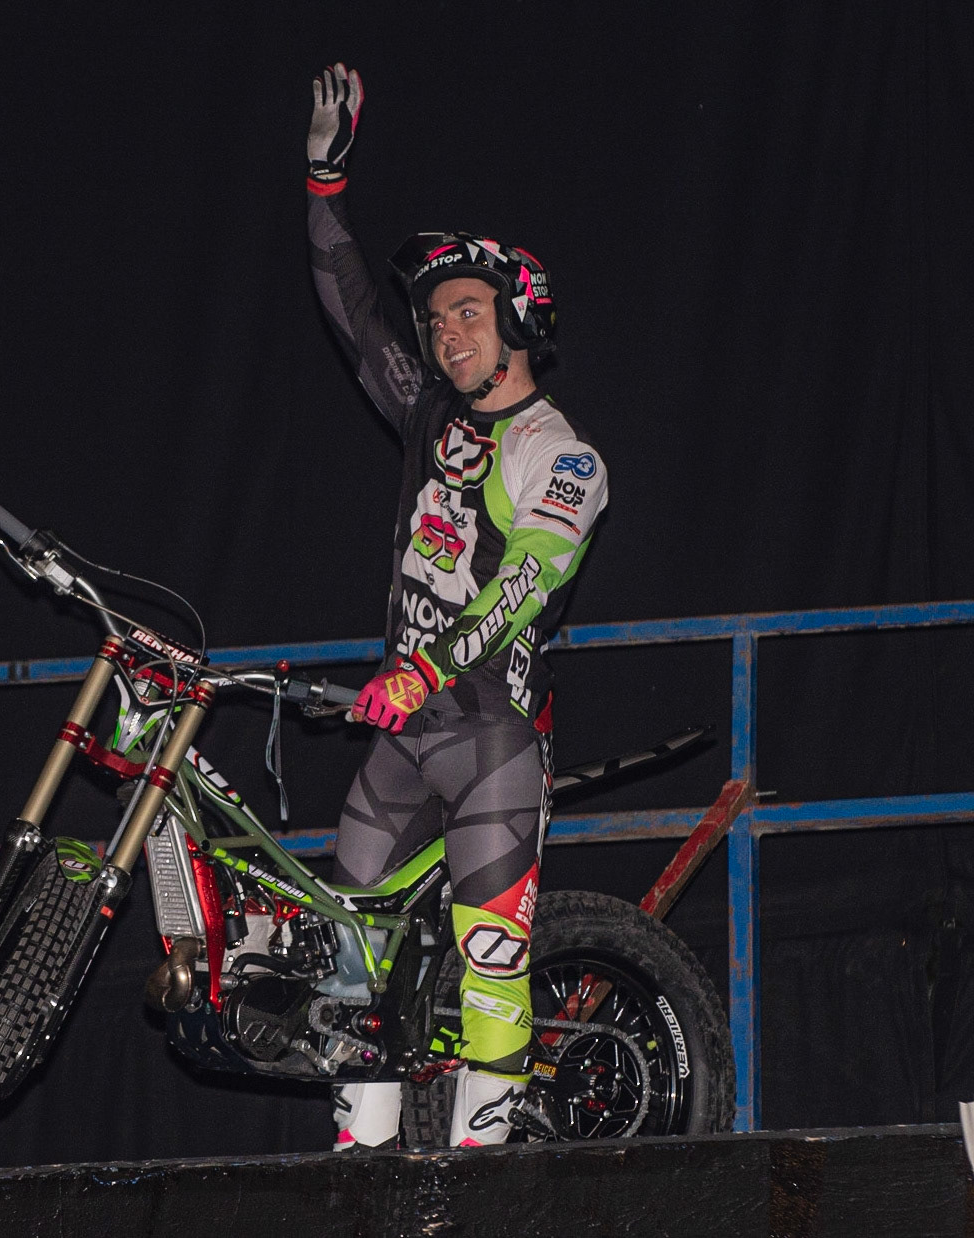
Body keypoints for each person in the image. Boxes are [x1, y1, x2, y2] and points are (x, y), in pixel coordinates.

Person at [304, 63, 610, 1149]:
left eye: (468, 314)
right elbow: (351, 315)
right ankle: (362, 1149)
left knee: (490, 957)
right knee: (346, 933)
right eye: (436, 320)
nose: (445, 334)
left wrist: (428, 666)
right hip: (406, 724)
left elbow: (528, 580)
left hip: (486, 727)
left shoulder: (559, 451)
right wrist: (323, 187)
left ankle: (490, 1159)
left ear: (521, 317)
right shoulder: (433, 416)